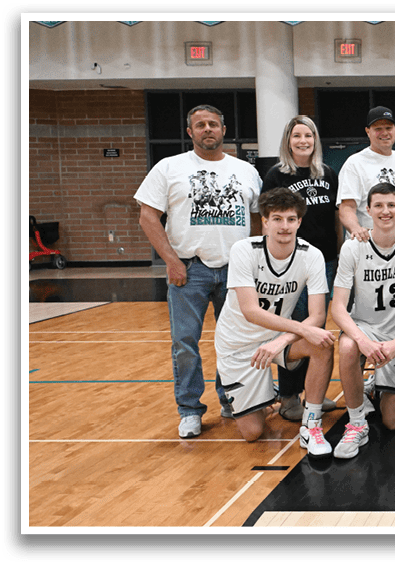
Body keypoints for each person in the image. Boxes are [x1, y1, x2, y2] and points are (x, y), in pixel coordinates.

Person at [135, 104, 261, 438]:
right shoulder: (169, 167)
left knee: (235, 341)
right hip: (189, 270)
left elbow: (259, 218)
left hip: (236, 271)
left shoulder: (245, 171)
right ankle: (190, 410)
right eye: (200, 125)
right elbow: (147, 216)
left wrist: (255, 261)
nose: (208, 129)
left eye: (213, 124)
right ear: (190, 132)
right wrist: (171, 260)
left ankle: (231, 399)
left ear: (223, 130)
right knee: (185, 343)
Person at [213, 190, 334, 445]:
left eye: (291, 219)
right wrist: (298, 330)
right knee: (253, 433)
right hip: (238, 345)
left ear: (299, 222)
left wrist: (282, 340)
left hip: (276, 339)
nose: (284, 226)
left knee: (321, 343)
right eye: (277, 219)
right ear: (265, 222)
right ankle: (266, 397)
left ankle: (311, 424)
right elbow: (251, 311)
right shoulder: (244, 250)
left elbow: (318, 315)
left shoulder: (312, 255)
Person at [330, 183, 395, 458]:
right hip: (364, 328)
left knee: (392, 422)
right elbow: (338, 307)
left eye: (391, 205)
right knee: (348, 346)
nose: (385, 211)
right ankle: (356, 423)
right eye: (379, 206)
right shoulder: (353, 247)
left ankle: (372, 386)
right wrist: (362, 341)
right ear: (368, 210)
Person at [261, 115, 342, 421]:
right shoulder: (276, 175)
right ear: (288, 141)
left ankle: (314, 393)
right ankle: (289, 396)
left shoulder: (328, 174)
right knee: (296, 326)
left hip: (325, 260)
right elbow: (266, 219)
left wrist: (338, 251)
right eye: (297, 135)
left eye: (308, 135)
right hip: (291, 262)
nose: (303, 141)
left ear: (315, 140)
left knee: (316, 329)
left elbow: (335, 218)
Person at [336, 106, 395, 241]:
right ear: (368, 131)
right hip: (368, 242)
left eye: (388, 128)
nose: (385, 133)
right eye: (378, 129)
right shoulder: (355, 163)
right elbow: (347, 208)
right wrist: (356, 229)